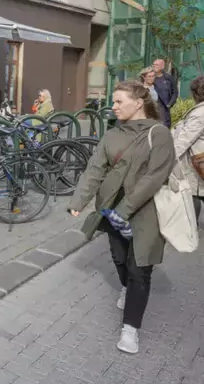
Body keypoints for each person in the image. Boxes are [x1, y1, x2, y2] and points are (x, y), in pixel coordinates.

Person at [68, 80, 175, 355]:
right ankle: (125, 287)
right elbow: (95, 169)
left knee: (140, 268)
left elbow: (155, 177)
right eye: (113, 101)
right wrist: (79, 200)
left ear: (138, 102)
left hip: (145, 211)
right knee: (119, 258)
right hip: (110, 209)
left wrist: (125, 211)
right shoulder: (112, 135)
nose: (113, 106)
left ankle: (131, 328)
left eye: (118, 101)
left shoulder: (159, 134)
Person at [172, 76, 204, 218]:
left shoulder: (200, 114)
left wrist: (165, 158)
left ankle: (191, 232)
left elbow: (183, 141)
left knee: (193, 196)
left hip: (197, 163)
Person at [153, 59, 178, 128]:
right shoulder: (150, 78)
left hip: (164, 109)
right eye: (153, 64)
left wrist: (170, 103)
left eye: (157, 65)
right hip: (152, 108)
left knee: (164, 128)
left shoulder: (168, 78)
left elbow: (175, 91)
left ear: (162, 66)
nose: (154, 66)